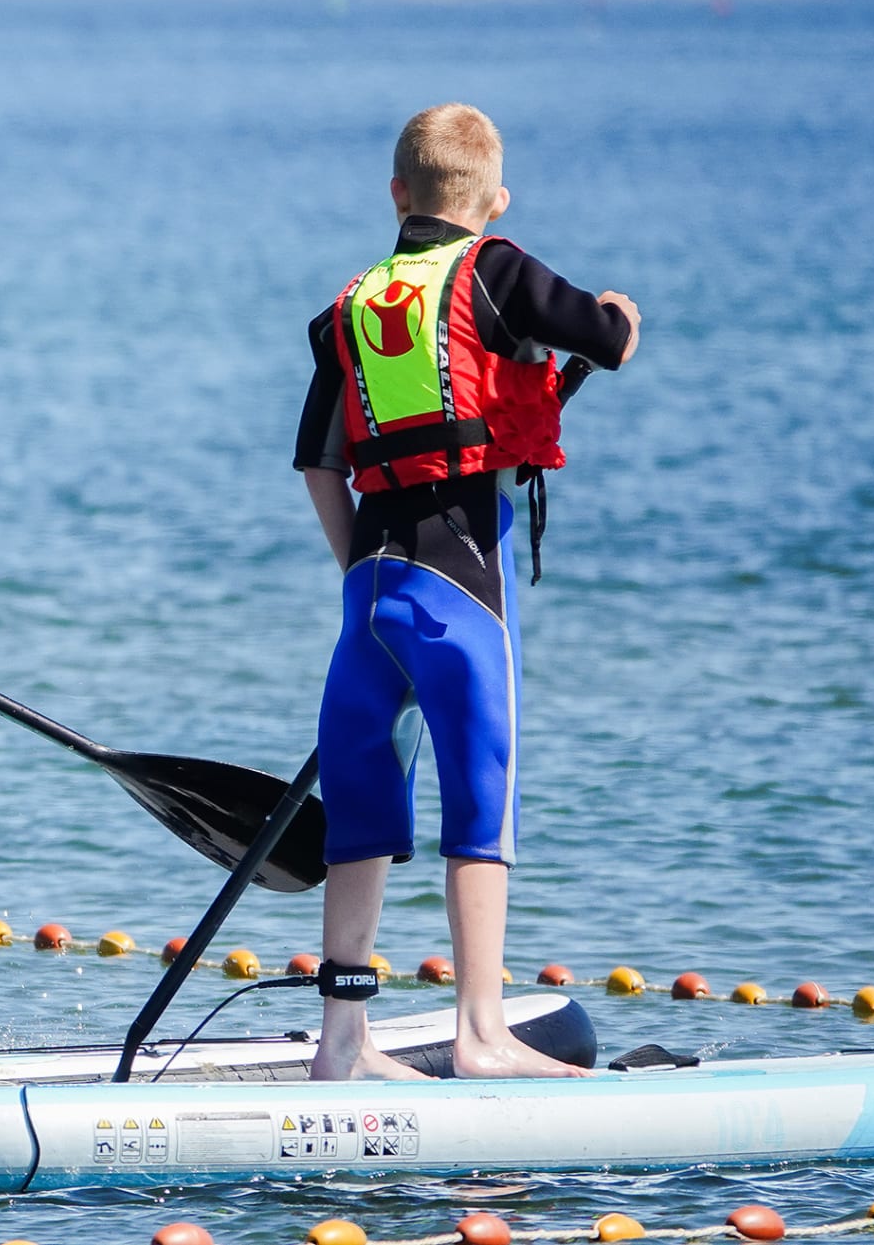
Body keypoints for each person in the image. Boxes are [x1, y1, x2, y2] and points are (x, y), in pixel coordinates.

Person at [294, 103, 641, 1080]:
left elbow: (319, 464)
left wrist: (356, 575)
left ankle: (342, 1042)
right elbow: (605, 339)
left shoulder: (348, 307)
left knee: (359, 813)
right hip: (461, 595)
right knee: (479, 807)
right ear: (495, 202)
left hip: (370, 597)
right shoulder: (499, 271)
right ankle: (482, 1034)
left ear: (396, 194)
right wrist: (622, 314)